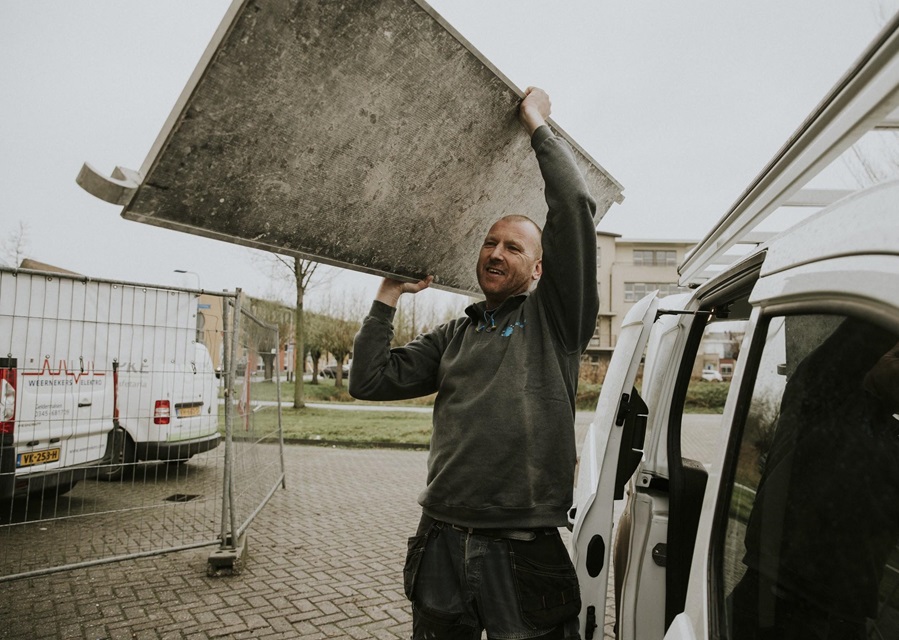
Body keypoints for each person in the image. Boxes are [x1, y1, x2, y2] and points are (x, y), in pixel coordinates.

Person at [349, 87, 598, 640]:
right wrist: (388, 294)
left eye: (513, 247)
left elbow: (575, 206)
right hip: (441, 539)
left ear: (538, 270)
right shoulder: (453, 336)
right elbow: (367, 380)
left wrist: (537, 125)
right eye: (490, 243)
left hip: (523, 549)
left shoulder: (557, 319)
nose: (495, 253)